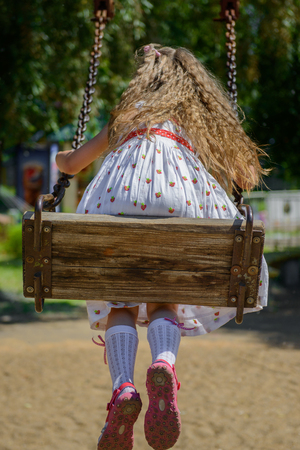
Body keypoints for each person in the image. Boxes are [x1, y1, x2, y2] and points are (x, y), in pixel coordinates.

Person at [56, 44, 269, 450]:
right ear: (188, 84)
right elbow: (244, 174)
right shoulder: (193, 116)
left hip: (114, 207)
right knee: (163, 300)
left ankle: (123, 389)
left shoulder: (126, 114)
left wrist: (61, 159)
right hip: (177, 206)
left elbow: (72, 166)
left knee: (121, 303)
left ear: (143, 80)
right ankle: (164, 363)